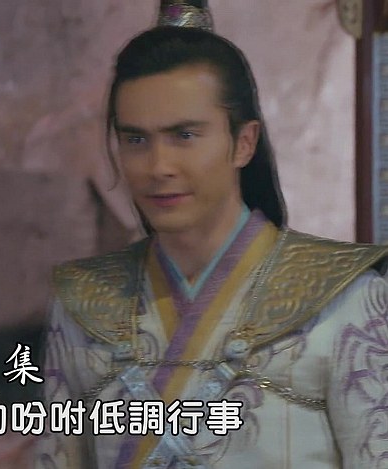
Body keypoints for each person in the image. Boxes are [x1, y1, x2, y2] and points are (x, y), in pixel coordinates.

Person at [35, 2, 388, 468]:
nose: (158, 167)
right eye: (136, 140)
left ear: (244, 142)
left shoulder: (344, 298)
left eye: (184, 136)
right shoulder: (84, 301)